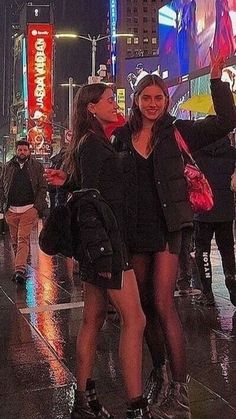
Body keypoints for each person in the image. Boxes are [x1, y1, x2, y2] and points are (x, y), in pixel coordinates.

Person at [112, 48, 236, 419]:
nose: (152, 103)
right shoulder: (121, 137)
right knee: (145, 306)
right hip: (135, 230)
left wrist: (217, 80)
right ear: (136, 101)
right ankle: (160, 373)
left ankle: (179, 388)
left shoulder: (179, 131)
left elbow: (226, 120)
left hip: (170, 227)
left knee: (163, 303)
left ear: (167, 101)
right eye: (146, 98)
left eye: (159, 98)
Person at [44, 84, 152, 419]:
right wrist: (105, 255)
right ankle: (136, 406)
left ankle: (84, 399)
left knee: (92, 320)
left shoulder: (90, 143)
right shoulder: (93, 145)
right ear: (91, 108)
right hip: (106, 246)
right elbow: (92, 205)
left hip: (98, 247)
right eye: (108, 100)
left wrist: (70, 181)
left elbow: (92, 189)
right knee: (135, 320)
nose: (114, 103)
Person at [193, 134, 236, 306]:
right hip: (226, 210)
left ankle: (207, 292)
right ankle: (233, 289)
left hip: (203, 210)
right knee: (227, 251)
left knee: (202, 251)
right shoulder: (232, 153)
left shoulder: (196, 153)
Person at [0, 140, 47, 283]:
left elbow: (42, 187)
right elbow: (2, 187)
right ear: (16, 151)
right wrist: (4, 206)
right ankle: (22, 265)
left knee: (22, 239)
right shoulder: (8, 167)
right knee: (15, 241)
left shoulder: (36, 167)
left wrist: (36, 207)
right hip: (11, 210)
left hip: (29, 209)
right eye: (20, 150)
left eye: (25, 150)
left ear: (29, 151)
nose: (22, 152)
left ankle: (19, 269)